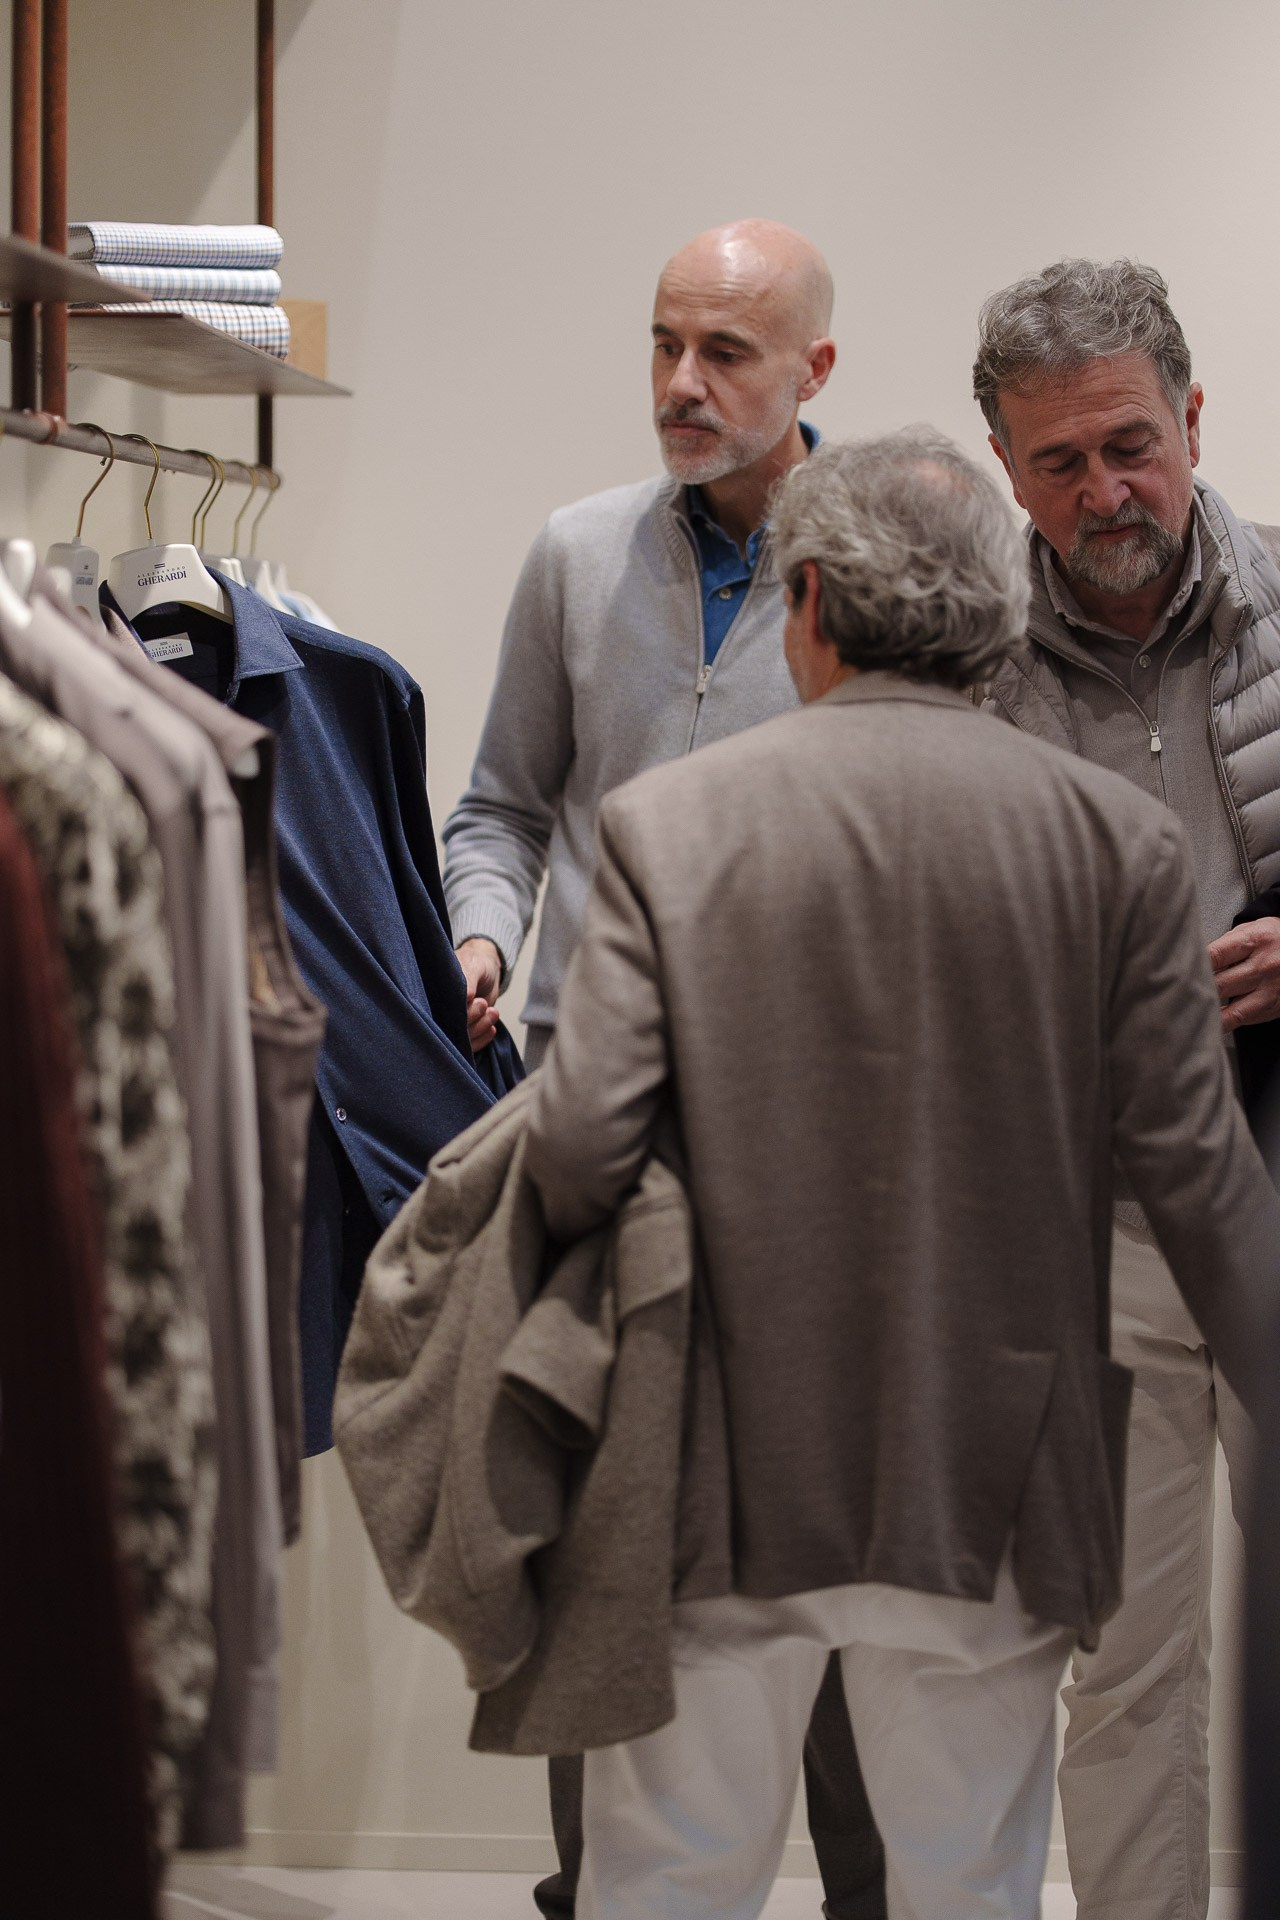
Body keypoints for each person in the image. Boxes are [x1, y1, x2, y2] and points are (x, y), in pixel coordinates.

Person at [522, 429, 1280, 1920]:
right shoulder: (1116, 844)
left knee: (668, 1875)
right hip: (990, 1468)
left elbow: (581, 1148)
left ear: (803, 605)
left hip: (717, 1469)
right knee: (970, 1878)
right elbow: (1200, 1183)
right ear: (1000, 610)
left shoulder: (669, 825)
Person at [442, 221, 884, 1920]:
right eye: (663, 345)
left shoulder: (898, 555)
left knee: (828, 1567)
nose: (684, 386)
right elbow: (497, 806)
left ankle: (870, 1895)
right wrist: (481, 935)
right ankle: (597, 1893)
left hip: (819, 1155)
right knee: (600, 1553)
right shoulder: (576, 556)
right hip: (596, 1132)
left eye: (729, 354)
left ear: (815, 373)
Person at [973, 257, 1280, 1920]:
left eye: (1132, 445)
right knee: (1135, 1664)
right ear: (1008, 470)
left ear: (1192, 419)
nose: (1108, 492)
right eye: (1061, 463)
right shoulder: (963, 668)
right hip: (1109, 1230)